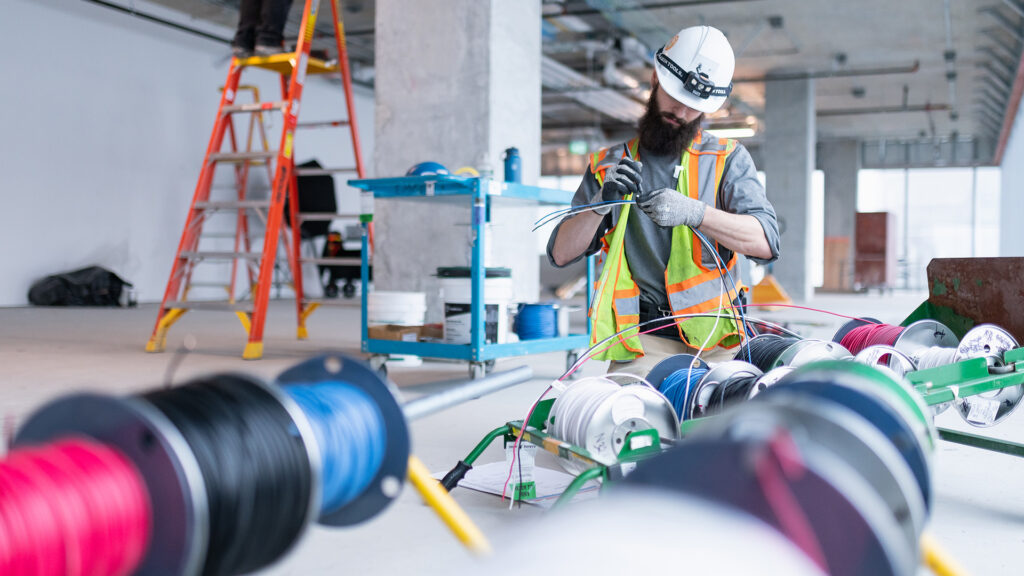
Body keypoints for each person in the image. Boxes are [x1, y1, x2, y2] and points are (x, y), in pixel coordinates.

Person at [547, 25, 780, 377]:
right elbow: (561, 253)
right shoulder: (608, 165)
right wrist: (599, 204)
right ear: (656, 80)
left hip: (716, 342)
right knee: (632, 425)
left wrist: (695, 213)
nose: (682, 113)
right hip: (643, 340)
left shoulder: (727, 158)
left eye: (693, 107)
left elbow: (765, 241)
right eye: (675, 99)